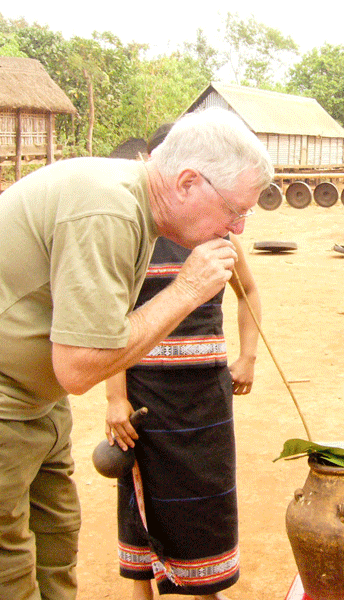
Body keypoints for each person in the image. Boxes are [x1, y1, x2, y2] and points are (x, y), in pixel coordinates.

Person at [0, 107, 273, 600]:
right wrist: (186, 290)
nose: (237, 228)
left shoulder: (137, 207)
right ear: (187, 183)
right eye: (235, 209)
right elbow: (80, 367)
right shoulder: (107, 212)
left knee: (54, 556)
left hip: (33, 403)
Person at [105, 124, 261, 600]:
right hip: (145, 396)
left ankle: (207, 589)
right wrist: (115, 399)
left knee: (207, 496)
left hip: (206, 395)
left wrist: (248, 356)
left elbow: (249, 291)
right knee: (140, 493)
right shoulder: (130, 235)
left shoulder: (216, 235)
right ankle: (142, 592)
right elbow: (110, 325)